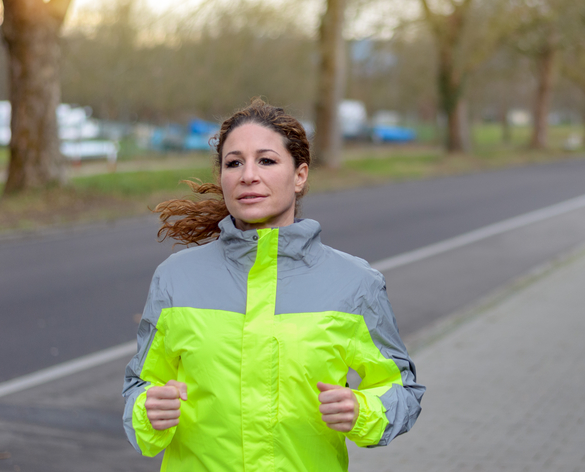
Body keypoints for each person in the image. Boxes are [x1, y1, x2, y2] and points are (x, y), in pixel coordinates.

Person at [122, 99, 424, 471]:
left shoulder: (356, 283)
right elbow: (141, 384)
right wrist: (149, 410)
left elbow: (402, 392)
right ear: (222, 178)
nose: (248, 175)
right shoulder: (174, 277)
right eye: (234, 163)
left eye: (266, 160)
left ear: (299, 176)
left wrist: (363, 411)